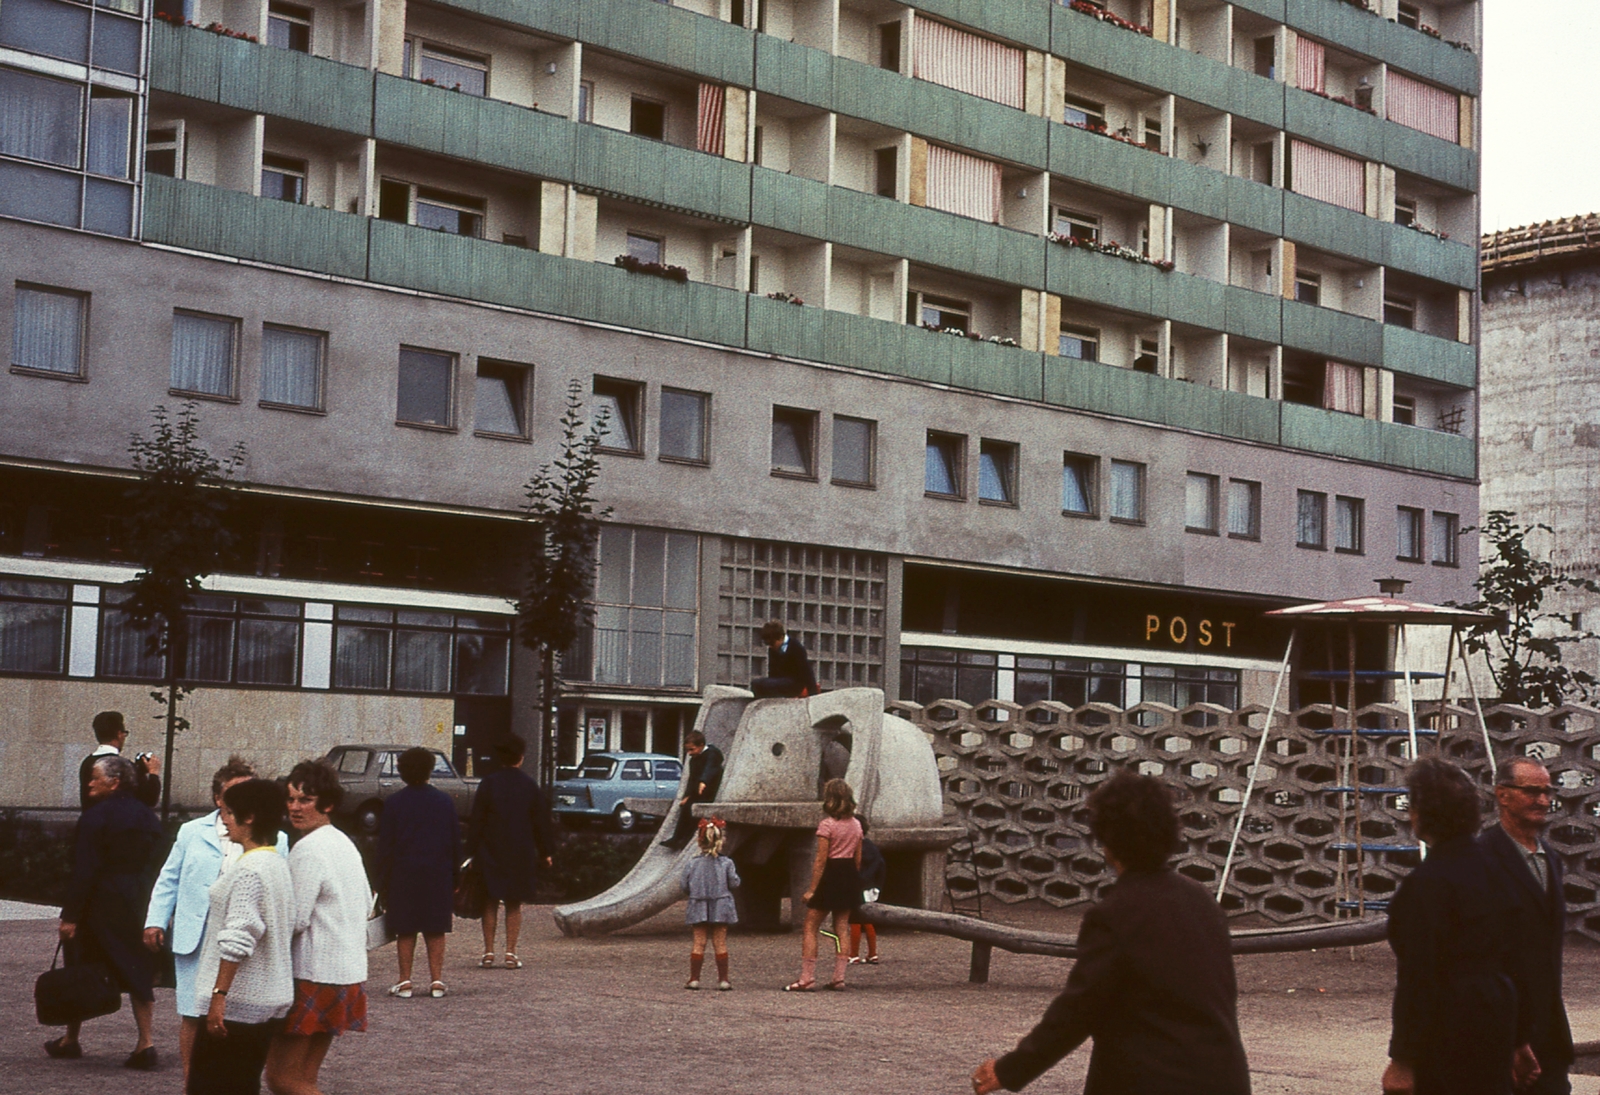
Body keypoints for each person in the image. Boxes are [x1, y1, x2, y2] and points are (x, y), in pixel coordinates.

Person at [971, 771, 1249, 1095]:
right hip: (1225, 1079)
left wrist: (1009, 1069)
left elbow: (1078, 1011)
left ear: (1107, 841)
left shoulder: (1113, 915)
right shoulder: (1203, 901)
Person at [1383, 757, 1532, 1095]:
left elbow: (1417, 978)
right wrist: (1521, 1039)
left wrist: (1402, 1060)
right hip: (1497, 1013)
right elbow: (1520, 960)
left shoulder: (1425, 886)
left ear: (1422, 814)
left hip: (1447, 1023)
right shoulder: (1502, 871)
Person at [145, 756, 287, 1086]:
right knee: (193, 1017)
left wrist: (220, 994)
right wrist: (155, 920)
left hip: (239, 960)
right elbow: (169, 878)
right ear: (218, 798)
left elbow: (245, 929)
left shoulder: (266, 853)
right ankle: (189, 1080)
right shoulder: (193, 831)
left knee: (223, 1067)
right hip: (198, 938)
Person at [45, 754, 164, 1068]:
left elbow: (85, 869)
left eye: (94, 778)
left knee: (79, 963)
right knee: (137, 965)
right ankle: (145, 1041)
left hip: (100, 901)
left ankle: (71, 1038)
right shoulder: (147, 816)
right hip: (139, 898)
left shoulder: (95, 817)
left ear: (114, 781)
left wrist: (70, 916)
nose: (89, 783)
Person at [265, 760, 371, 1095]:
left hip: (313, 974)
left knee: (282, 1079)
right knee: (304, 1080)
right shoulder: (342, 843)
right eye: (291, 799)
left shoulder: (308, 849)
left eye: (305, 800)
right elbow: (368, 904)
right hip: (344, 973)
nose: (295, 808)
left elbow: (293, 919)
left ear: (327, 803)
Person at [189, 778, 295, 1095]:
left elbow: (239, 937)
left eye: (230, 812)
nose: (224, 819)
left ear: (249, 817)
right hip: (266, 1000)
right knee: (242, 1084)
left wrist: (219, 996)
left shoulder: (250, 870)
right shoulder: (276, 863)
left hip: (237, 1004)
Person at [1478, 757, 1573, 1095]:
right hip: (1498, 1038)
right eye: (1532, 791)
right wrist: (1511, 1042)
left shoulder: (1551, 859)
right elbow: (1479, 957)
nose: (1543, 801)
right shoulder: (1480, 858)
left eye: (1547, 792)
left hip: (1549, 1033)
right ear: (1502, 795)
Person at [376, 747, 460, 999]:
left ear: (402, 772)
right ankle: (436, 981)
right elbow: (454, 841)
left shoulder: (393, 804)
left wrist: (381, 880)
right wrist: (455, 874)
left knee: (406, 928)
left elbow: (385, 846)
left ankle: (405, 981)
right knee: (435, 928)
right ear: (430, 769)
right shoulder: (445, 801)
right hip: (437, 872)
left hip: (403, 873)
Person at [465, 735, 555, 970]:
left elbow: (477, 821)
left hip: (490, 849)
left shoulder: (488, 783)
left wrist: (470, 853)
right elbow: (540, 822)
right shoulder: (529, 785)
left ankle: (488, 951)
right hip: (520, 851)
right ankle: (511, 952)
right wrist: (546, 851)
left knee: (489, 900)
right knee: (514, 903)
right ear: (521, 757)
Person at [785, 778, 863, 992]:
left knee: (810, 926)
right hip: (849, 874)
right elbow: (858, 859)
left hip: (831, 874)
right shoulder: (856, 825)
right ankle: (839, 977)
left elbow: (820, 860)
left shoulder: (827, 825)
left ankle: (807, 977)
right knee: (842, 927)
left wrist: (812, 889)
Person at [681, 816, 740, 991]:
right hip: (721, 905)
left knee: (699, 942)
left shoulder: (692, 864)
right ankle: (723, 980)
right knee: (720, 942)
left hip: (698, 904)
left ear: (700, 841)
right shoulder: (726, 863)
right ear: (720, 841)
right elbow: (735, 883)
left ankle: (694, 979)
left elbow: (684, 885)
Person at [79, 710, 161, 810]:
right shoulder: (124, 766)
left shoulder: (87, 763)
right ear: (119, 734)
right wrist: (153, 773)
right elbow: (149, 799)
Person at [664, 729, 725, 851]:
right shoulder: (694, 759)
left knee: (692, 811)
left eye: (692, 749)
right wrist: (687, 795)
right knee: (686, 807)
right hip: (699, 791)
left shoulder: (712, 754)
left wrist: (704, 781)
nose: (689, 753)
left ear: (701, 746)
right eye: (688, 750)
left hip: (710, 790)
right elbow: (692, 779)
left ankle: (683, 838)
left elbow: (710, 768)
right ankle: (677, 837)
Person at [849, 816, 886, 966]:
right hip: (871, 886)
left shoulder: (857, 846)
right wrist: (878, 885)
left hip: (859, 885)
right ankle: (872, 953)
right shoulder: (872, 846)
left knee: (855, 920)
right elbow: (881, 865)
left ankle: (854, 954)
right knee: (868, 920)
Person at [750, 620, 819, 699]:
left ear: (781, 638)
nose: (770, 646)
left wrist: (813, 695)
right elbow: (772, 671)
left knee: (766, 684)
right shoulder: (773, 650)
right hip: (780, 681)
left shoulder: (795, 647)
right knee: (756, 684)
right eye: (767, 644)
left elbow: (807, 672)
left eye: (772, 643)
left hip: (795, 683)